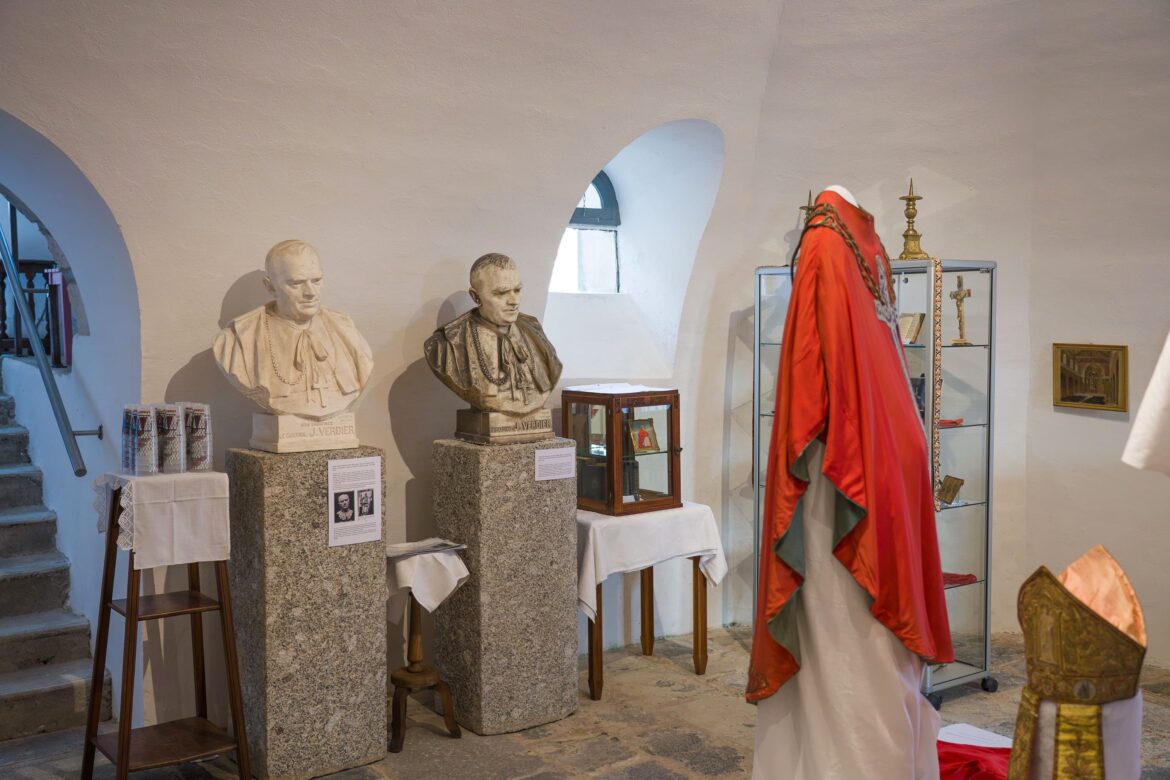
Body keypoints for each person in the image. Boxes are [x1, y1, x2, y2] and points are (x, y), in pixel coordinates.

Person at [213, 240, 374, 420]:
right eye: (296, 283)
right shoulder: (239, 338)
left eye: (316, 280)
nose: (311, 292)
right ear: (270, 287)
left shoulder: (345, 328)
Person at [424, 253, 561, 415]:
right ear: (476, 296)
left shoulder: (533, 329)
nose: (513, 301)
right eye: (501, 293)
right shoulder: (445, 345)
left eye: (517, 290)